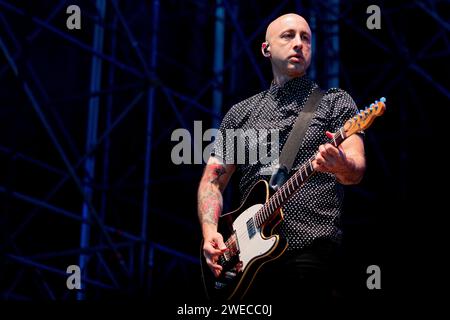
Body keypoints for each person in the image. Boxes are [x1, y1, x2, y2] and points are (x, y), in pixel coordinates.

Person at [197, 13, 366, 305]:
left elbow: (356, 170)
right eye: (288, 36)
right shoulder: (241, 113)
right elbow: (212, 181)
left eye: (306, 38)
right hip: (244, 262)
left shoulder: (335, 102)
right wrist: (210, 231)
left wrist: (341, 164)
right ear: (266, 49)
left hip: (310, 255)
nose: (299, 44)